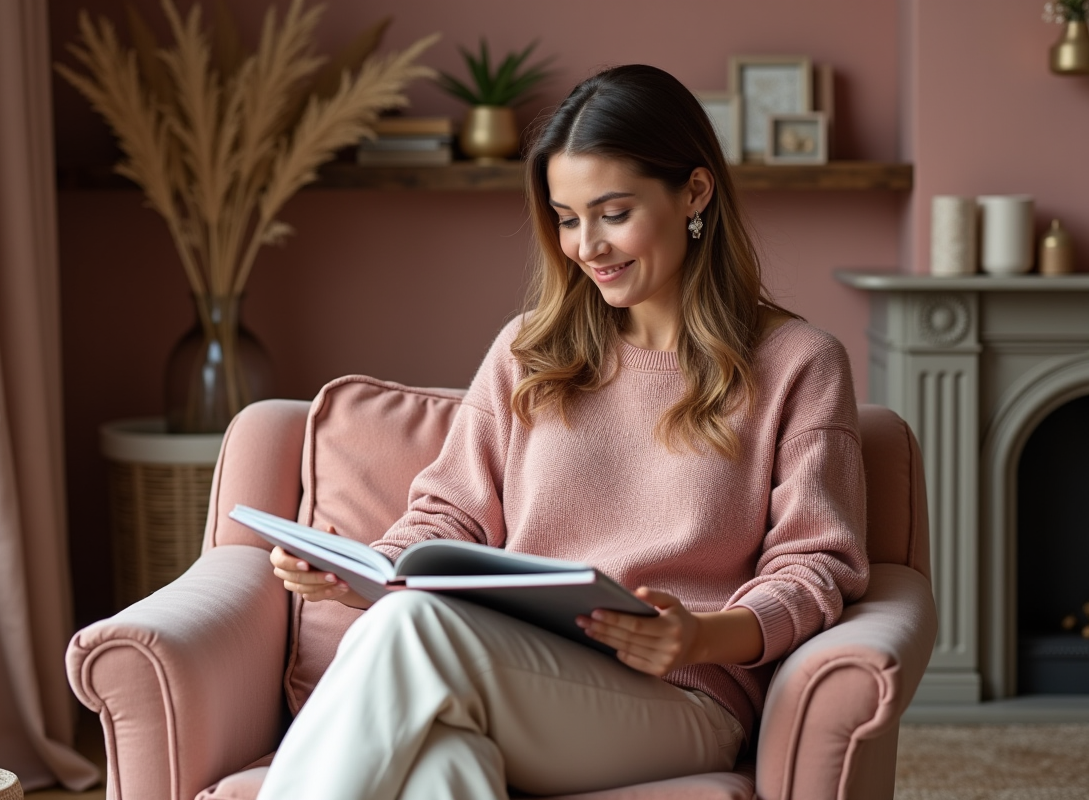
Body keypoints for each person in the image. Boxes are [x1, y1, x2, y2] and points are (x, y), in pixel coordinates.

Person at [258, 63, 870, 799]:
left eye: (614, 213)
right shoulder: (529, 350)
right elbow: (448, 513)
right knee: (440, 767)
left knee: (411, 629)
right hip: (518, 674)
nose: (588, 246)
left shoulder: (799, 363)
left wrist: (704, 635)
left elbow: (817, 567)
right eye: (567, 217)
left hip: (680, 702)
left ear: (695, 194)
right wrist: (361, 570)